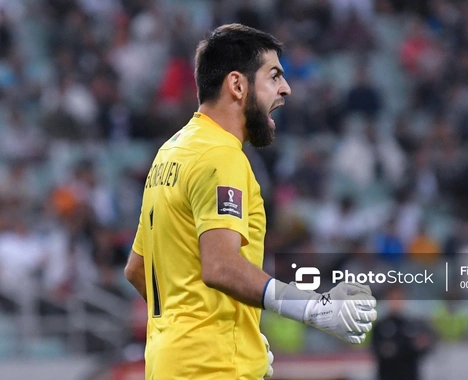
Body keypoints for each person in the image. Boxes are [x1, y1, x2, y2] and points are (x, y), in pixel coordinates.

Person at [123, 24, 377, 380]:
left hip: (172, 363)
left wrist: (231, 336)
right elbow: (220, 266)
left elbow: (137, 268)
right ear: (238, 85)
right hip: (212, 369)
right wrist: (314, 308)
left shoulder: (171, 152)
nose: (285, 89)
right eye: (274, 76)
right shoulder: (221, 156)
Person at [371, 286, 434, 380]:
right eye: (392, 298)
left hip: (410, 375)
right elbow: (379, 350)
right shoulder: (380, 326)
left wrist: (399, 347)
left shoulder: (413, 324)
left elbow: (423, 347)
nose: (395, 302)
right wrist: (407, 346)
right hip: (388, 375)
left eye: (398, 298)